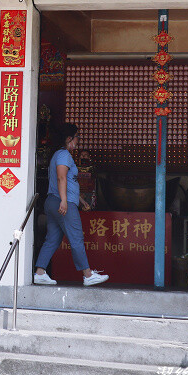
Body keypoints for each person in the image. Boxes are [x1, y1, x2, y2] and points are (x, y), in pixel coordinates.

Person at [34, 123, 109, 287]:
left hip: (54, 201)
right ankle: (88, 275)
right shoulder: (63, 155)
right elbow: (62, 178)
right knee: (76, 237)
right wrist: (64, 200)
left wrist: (81, 201)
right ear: (69, 139)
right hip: (61, 202)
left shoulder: (59, 155)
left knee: (53, 238)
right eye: (77, 137)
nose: (78, 141)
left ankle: (40, 272)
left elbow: (70, 184)